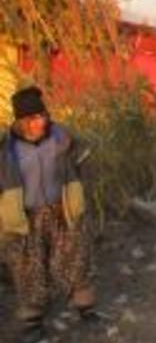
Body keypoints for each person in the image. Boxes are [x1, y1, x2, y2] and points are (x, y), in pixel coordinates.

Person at [0, 86, 100, 343]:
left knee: (74, 256)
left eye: (42, 115)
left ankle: (85, 307)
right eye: (33, 118)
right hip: (25, 218)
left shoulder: (62, 137)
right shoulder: (6, 150)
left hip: (61, 210)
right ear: (20, 121)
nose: (40, 122)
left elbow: (86, 159)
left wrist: (84, 189)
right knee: (28, 269)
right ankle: (33, 321)